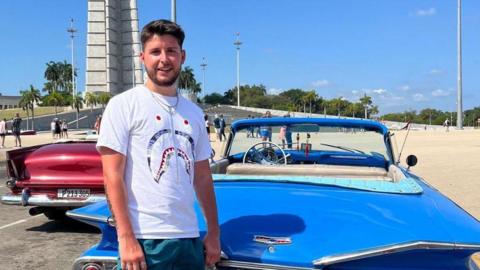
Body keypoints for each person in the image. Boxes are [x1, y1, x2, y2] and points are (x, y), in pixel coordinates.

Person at [96, 19, 220, 270]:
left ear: (182, 56)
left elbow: (203, 177)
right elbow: (112, 176)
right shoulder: (123, 105)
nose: (164, 59)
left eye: (171, 51)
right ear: (142, 57)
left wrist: (214, 234)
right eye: (155, 52)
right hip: (144, 241)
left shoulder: (194, 113)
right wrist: (126, 238)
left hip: (188, 237)